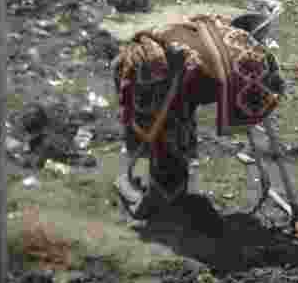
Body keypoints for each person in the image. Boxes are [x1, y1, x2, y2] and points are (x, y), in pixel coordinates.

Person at [112, 12, 284, 219]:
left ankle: (159, 199)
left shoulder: (153, 52)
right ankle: (167, 189)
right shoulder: (214, 31)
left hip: (180, 73)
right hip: (187, 69)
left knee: (166, 122)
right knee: (168, 113)